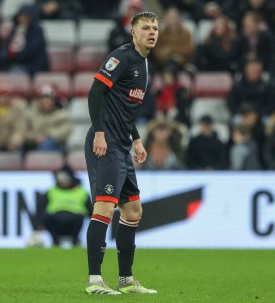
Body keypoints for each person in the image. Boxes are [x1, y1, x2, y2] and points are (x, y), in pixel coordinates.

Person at [84, 11, 159, 295]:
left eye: (154, 28)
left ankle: (126, 280)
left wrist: (136, 140)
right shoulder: (122, 57)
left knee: (132, 209)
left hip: (123, 145)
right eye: (145, 28)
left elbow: (126, 108)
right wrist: (100, 132)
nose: (151, 32)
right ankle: (94, 282)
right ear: (133, 32)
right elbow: (95, 93)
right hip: (106, 143)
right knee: (104, 207)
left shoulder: (144, 63)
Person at [40, 165, 92, 247]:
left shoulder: (81, 192)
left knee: (79, 218)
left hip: (74, 219)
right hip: (54, 220)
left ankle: (75, 241)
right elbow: (41, 209)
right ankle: (55, 242)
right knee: (47, 216)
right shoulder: (51, 191)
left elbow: (91, 211)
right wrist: (39, 225)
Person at [25, 85, 72, 152]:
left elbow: (66, 130)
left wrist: (47, 136)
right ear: (39, 100)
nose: (46, 100)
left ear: (54, 100)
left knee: (48, 143)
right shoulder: (30, 113)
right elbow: (24, 130)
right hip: (31, 142)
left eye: (49, 98)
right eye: (44, 98)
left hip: (53, 143)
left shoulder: (61, 114)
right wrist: (34, 137)